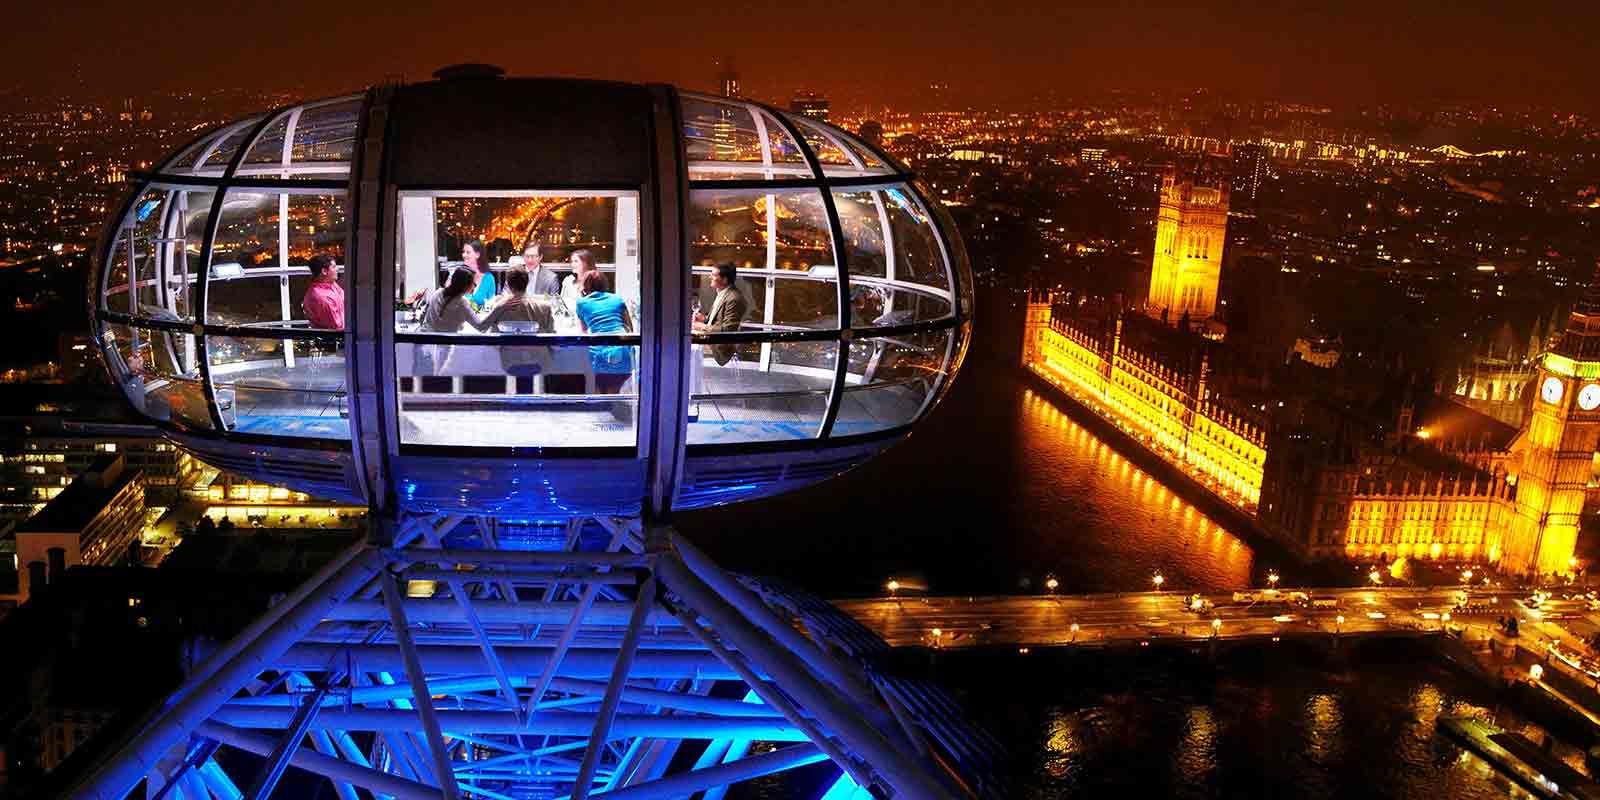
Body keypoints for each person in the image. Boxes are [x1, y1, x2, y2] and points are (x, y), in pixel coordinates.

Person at [481, 265, 557, 377]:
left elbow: (492, 337)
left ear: (508, 284)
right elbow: (552, 338)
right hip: (540, 362)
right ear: (527, 282)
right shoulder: (545, 307)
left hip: (508, 363)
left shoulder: (499, 307)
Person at [575, 269, 634, 395]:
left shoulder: (581, 303)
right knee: (614, 389)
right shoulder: (617, 299)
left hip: (599, 351)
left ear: (586, 285)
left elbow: (584, 331)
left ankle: (604, 409)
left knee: (600, 389)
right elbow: (629, 327)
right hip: (621, 350)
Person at [415, 267, 484, 375]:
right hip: (441, 346)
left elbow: (429, 318)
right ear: (465, 285)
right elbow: (481, 327)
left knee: (424, 378)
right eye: (473, 282)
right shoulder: (462, 303)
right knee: (436, 376)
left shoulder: (438, 293)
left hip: (424, 342)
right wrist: (499, 309)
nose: (475, 285)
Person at [693, 263, 750, 366]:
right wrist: (704, 319)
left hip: (718, 349)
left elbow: (728, 330)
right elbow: (717, 321)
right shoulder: (722, 293)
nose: (710, 277)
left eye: (714, 275)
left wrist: (701, 327)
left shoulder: (734, 299)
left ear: (724, 280)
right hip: (710, 341)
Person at [301, 254, 344, 329]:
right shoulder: (322, 298)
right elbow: (336, 328)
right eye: (333, 267)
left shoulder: (332, 284)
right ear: (324, 271)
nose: (337, 269)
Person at [463, 239, 497, 309]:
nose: (464, 255)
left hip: (482, 318)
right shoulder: (460, 275)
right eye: (463, 252)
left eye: (468, 252)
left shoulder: (488, 278)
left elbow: (491, 307)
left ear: (477, 255)